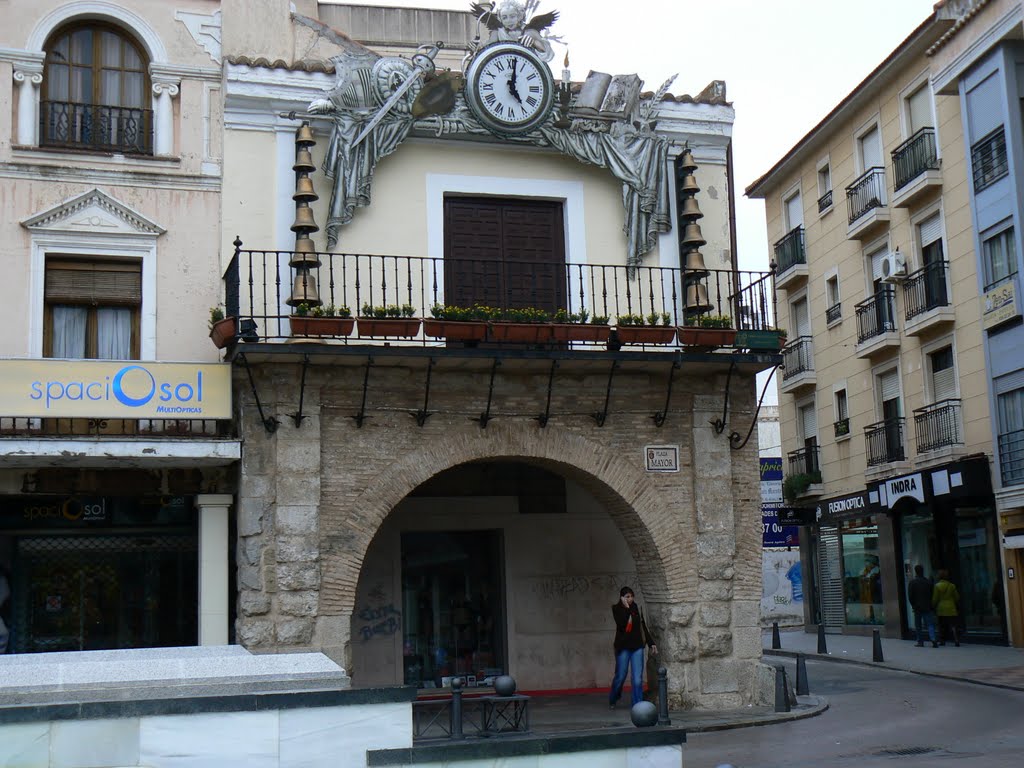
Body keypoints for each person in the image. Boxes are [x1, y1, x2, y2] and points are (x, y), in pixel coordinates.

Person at [608, 586, 657, 709]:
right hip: (623, 647)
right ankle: (613, 698)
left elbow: (643, 627)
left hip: (637, 647)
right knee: (620, 675)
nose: (630, 599)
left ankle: (637, 705)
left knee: (637, 678)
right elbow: (622, 624)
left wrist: (651, 643)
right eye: (627, 597)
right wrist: (626, 608)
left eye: (631, 596)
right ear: (622, 598)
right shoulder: (617, 609)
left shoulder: (636, 608)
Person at [907, 564, 937, 648]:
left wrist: (913, 605)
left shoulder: (913, 582)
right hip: (927, 606)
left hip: (917, 607)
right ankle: (933, 639)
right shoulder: (928, 582)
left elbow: (910, 596)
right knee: (930, 624)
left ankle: (920, 641)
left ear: (916, 571)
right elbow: (932, 594)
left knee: (918, 625)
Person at [932, 569, 960, 647]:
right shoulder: (952, 585)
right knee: (953, 625)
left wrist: (933, 605)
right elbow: (957, 597)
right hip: (951, 607)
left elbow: (935, 598)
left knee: (941, 625)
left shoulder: (937, 586)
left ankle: (942, 640)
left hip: (941, 608)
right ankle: (956, 639)